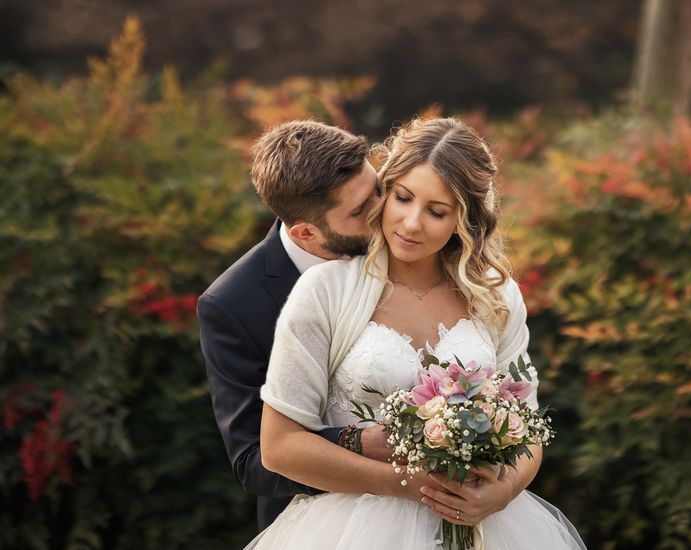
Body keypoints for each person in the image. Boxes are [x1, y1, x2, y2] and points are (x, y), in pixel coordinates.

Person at [247, 117, 586, 548]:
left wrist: (501, 494)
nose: (410, 223)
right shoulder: (325, 290)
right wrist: (407, 484)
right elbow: (280, 447)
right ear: (384, 191)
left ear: (466, 219)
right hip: (353, 529)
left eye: (437, 211)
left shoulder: (496, 297)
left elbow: (529, 428)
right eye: (402, 198)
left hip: (489, 527)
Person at [197, 120, 395, 530]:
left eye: (379, 187)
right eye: (360, 210)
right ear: (305, 231)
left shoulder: (410, 243)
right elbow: (253, 462)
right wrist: (359, 443)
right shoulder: (233, 305)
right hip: (323, 526)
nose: (385, 210)